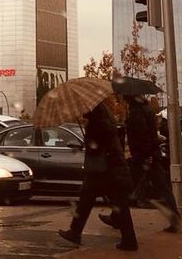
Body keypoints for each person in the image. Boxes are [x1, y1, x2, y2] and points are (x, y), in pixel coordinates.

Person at [58, 99, 138, 252]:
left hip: (103, 170)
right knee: (117, 204)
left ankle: (75, 232)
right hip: (113, 168)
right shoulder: (105, 119)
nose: (82, 110)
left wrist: (86, 140)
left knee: (87, 199)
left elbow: (95, 148)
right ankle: (129, 240)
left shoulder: (96, 124)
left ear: (92, 108)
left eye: (84, 107)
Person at [101, 95, 181, 234]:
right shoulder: (146, 109)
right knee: (161, 187)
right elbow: (149, 134)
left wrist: (145, 156)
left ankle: (117, 218)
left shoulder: (137, 112)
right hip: (148, 156)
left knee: (126, 187)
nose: (122, 98)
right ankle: (174, 217)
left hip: (142, 158)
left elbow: (142, 136)